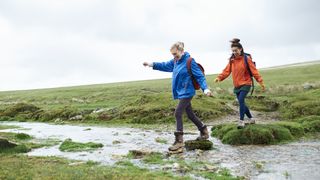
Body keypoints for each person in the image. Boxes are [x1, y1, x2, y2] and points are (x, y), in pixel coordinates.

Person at [143, 42, 212, 152]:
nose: (174, 56)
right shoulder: (175, 61)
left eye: (175, 54)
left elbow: (200, 76)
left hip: (188, 91)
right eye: (172, 54)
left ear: (181, 50)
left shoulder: (190, 61)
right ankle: (204, 130)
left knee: (178, 113)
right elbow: (165, 65)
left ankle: (179, 142)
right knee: (190, 115)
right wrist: (151, 64)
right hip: (180, 92)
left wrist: (206, 89)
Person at [214, 38, 265, 128]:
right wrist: (219, 77)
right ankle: (251, 119)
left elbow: (254, 71)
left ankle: (241, 121)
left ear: (240, 49)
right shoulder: (232, 60)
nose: (234, 52)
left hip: (246, 83)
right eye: (233, 51)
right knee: (242, 103)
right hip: (237, 85)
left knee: (241, 100)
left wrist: (260, 81)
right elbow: (226, 71)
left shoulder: (247, 59)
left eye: (236, 50)